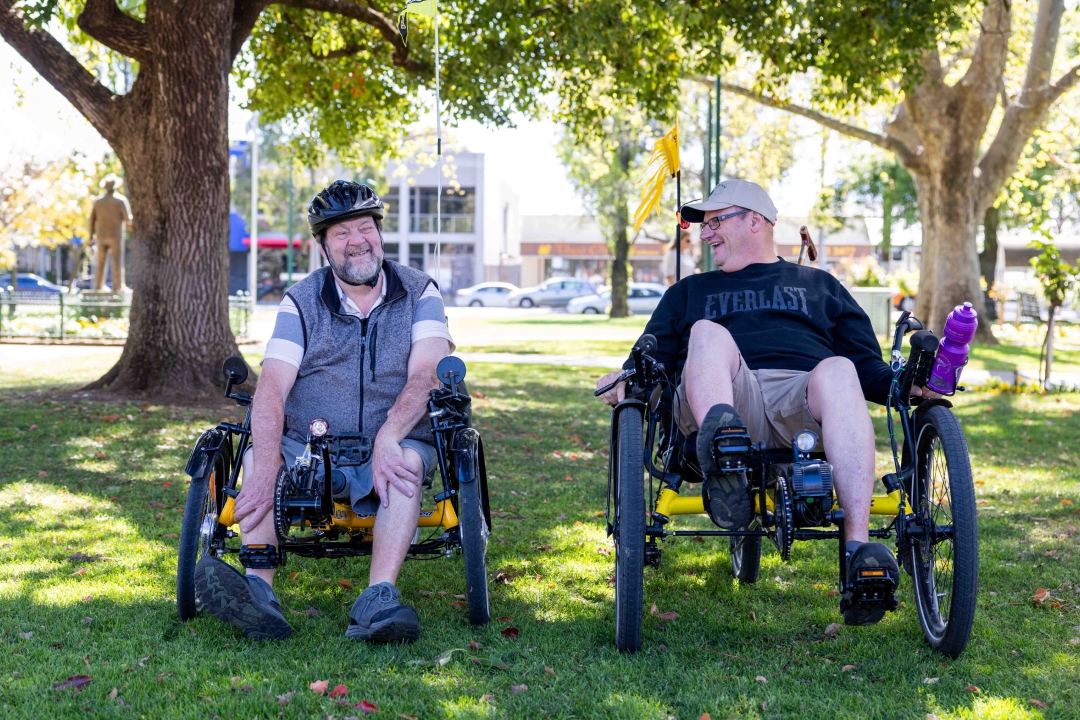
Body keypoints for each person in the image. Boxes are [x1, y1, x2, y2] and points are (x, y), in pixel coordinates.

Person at [595, 179, 938, 626]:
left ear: (755, 221)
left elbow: (866, 371)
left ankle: (859, 553)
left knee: (838, 369)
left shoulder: (821, 286)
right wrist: (624, 378)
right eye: (704, 225)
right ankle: (726, 462)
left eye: (715, 221)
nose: (704, 234)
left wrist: (908, 385)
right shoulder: (689, 292)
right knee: (706, 332)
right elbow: (652, 360)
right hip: (722, 394)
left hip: (803, 404)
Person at [194, 180, 454, 643]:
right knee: (258, 459)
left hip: (395, 434)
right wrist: (266, 464)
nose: (356, 240)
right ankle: (258, 594)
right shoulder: (299, 301)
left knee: (406, 463)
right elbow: (272, 388)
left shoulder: (420, 291)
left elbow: (427, 373)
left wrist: (389, 435)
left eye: (364, 227)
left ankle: (378, 599)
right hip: (310, 443)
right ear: (323, 246)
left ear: (379, 233)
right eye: (341, 233)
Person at [88, 173, 131, 291]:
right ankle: (118, 286)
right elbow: (128, 220)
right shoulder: (121, 201)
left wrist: (91, 235)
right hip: (116, 236)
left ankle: (98, 286)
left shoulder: (98, 201)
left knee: (100, 262)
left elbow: (91, 219)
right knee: (117, 262)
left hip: (101, 236)